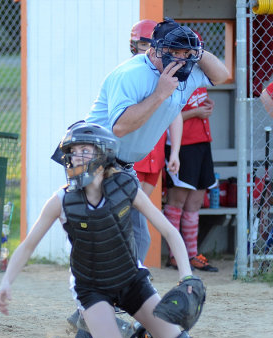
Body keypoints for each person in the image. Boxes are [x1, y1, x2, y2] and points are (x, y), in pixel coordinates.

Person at [0, 122, 195, 338]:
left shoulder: (124, 186)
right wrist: (6, 282)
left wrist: (186, 276)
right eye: (72, 151)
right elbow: (27, 246)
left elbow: (168, 231)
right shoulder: (62, 200)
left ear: (103, 156)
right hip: (92, 287)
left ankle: (146, 335)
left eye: (84, 150)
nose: (76, 156)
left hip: (131, 280)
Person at [84, 18, 229, 263]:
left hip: (123, 165)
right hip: (94, 158)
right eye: (173, 52)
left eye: (185, 53)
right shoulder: (132, 73)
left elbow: (222, 75)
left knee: (140, 238)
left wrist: (198, 51)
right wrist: (160, 93)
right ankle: (93, 295)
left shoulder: (185, 72)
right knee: (106, 234)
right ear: (154, 50)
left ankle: (126, 294)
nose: (179, 60)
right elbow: (120, 127)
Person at [163, 30, 219, 272]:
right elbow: (167, 116)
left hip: (202, 142)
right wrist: (196, 113)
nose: (190, 54)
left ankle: (192, 253)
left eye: (194, 49)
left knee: (196, 199)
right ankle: (176, 255)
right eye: (186, 50)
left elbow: (220, 77)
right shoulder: (172, 74)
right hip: (181, 144)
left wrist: (205, 109)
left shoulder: (200, 73)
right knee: (178, 199)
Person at [130, 19, 181, 197]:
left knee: (140, 211)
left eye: (152, 44)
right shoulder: (131, 74)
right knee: (127, 211)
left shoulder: (167, 76)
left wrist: (174, 152)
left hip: (155, 156)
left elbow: (175, 114)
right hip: (132, 157)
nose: (147, 49)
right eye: (143, 44)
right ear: (134, 46)